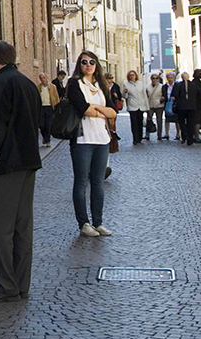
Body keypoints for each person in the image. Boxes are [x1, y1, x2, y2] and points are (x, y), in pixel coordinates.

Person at [0, 41, 41, 303]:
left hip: (5, 165)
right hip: (28, 162)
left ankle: (6, 284)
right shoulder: (28, 84)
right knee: (22, 227)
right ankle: (21, 283)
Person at [66, 51, 118, 238]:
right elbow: (83, 109)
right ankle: (84, 223)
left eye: (92, 62)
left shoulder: (101, 85)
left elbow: (113, 111)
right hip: (82, 140)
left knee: (98, 183)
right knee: (81, 182)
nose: (88, 65)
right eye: (84, 62)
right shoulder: (74, 84)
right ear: (79, 65)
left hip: (102, 139)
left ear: (97, 65)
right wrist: (101, 111)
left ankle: (98, 222)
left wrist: (97, 110)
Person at [171, 72, 201, 146]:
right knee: (190, 123)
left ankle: (185, 135)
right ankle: (190, 139)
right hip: (192, 107)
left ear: (181, 77)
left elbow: (174, 96)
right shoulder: (194, 85)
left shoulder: (178, 85)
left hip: (181, 107)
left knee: (181, 122)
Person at [122, 70, 148, 144]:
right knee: (134, 123)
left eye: (133, 75)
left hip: (141, 105)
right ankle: (135, 138)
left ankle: (140, 137)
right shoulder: (126, 84)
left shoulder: (141, 84)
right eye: (130, 75)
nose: (132, 76)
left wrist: (147, 106)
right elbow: (125, 97)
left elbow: (144, 95)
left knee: (140, 122)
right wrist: (125, 92)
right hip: (132, 106)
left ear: (136, 76)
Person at [37, 73, 59, 147]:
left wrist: (56, 107)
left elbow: (56, 97)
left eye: (44, 78)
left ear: (47, 78)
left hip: (49, 107)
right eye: (41, 78)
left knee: (48, 125)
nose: (43, 80)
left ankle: (48, 140)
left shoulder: (53, 87)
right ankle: (44, 137)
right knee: (41, 125)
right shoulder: (38, 87)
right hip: (41, 108)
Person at [145, 73, 165, 140]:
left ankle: (159, 135)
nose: (155, 80)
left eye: (156, 78)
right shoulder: (147, 87)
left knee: (159, 120)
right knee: (148, 120)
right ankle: (147, 134)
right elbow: (146, 96)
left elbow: (164, 95)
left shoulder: (162, 86)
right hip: (150, 105)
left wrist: (162, 99)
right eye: (153, 78)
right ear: (151, 79)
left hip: (159, 105)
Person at [161, 71, 179, 140]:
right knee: (167, 119)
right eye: (169, 77)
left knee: (177, 120)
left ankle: (178, 134)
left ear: (174, 78)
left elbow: (179, 94)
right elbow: (163, 94)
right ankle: (167, 134)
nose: (170, 79)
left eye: (171, 77)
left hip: (175, 105)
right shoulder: (164, 86)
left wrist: (175, 98)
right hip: (167, 104)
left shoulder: (177, 86)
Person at [192, 69, 201, 143]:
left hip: (193, 104)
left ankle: (195, 135)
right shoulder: (199, 84)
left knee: (195, 120)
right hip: (198, 105)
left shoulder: (192, 82)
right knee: (197, 121)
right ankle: (196, 136)